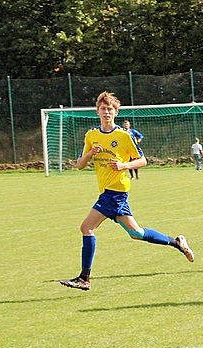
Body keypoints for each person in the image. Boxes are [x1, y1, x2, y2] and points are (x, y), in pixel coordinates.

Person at [60, 91, 194, 291]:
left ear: (116, 112)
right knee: (136, 233)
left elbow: (143, 160)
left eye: (110, 109)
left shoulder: (123, 136)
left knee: (86, 228)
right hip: (108, 192)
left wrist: (123, 166)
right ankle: (176, 242)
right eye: (103, 109)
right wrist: (90, 153)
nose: (107, 112)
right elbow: (79, 165)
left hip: (116, 192)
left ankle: (84, 278)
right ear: (97, 111)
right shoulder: (91, 135)